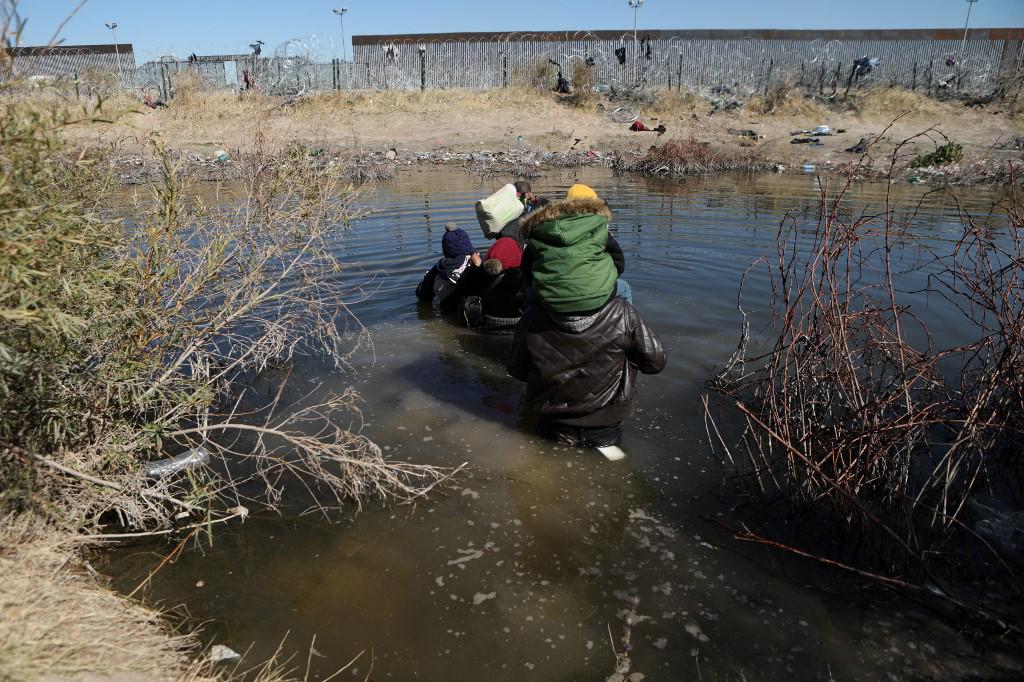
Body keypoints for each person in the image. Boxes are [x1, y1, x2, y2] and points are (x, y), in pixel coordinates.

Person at [507, 288, 665, 450]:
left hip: (552, 423)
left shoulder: (533, 314)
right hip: (605, 424)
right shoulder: (622, 311)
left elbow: (517, 369)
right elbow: (655, 363)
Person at [520, 183, 630, 312]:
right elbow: (619, 263)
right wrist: (605, 279)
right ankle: (624, 326)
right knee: (625, 288)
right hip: (595, 297)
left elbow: (526, 269)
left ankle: (527, 325)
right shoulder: (600, 229)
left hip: (550, 299)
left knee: (526, 293)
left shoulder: (542, 229)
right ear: (595, 205)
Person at [415, 222, 481, 311]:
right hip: (470, 308)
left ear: (445, 248)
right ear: (467, 244)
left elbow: (424, 296)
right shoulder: (476, 261)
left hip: (446, 308)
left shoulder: (440, 266)